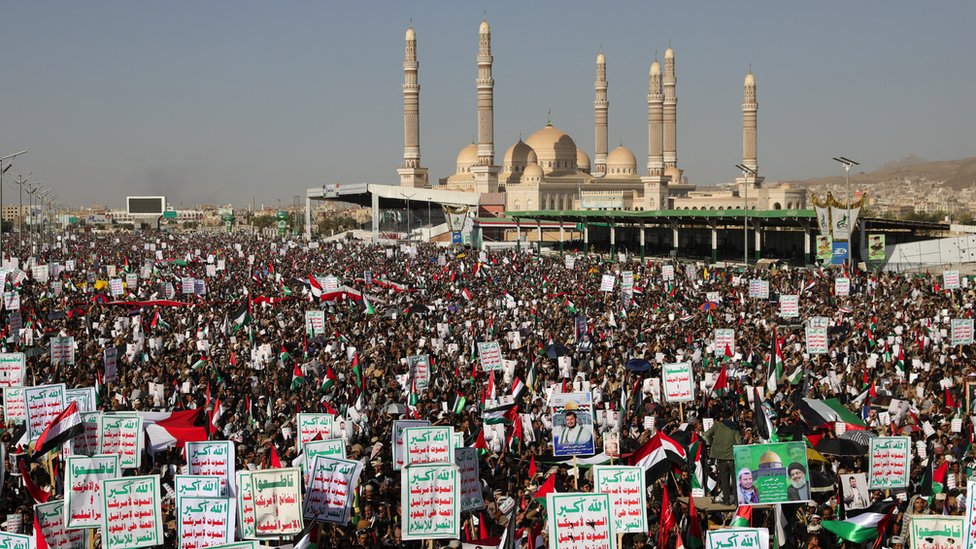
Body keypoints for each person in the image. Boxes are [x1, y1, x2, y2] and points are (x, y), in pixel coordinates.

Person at [703, 408, 741, 505]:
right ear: (731, 416)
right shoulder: (734, 427)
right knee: (735, 479)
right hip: (732, 457)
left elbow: (706, 435)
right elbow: (738, 442)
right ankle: (737, 501)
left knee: (724, 480)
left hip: (721, 457)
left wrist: (714, 444)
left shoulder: (717, 426)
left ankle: (726, 500)